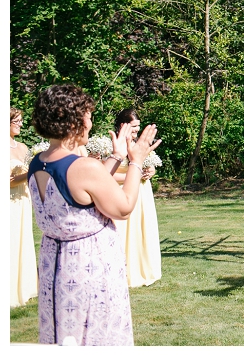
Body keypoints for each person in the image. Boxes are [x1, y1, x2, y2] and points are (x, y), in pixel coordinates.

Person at [27, 84, 161, 345]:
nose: (90, 122)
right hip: (89, 266)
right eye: (88, 115)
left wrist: (116, 156)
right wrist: (135, 160)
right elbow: (123, 207)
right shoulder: (83, 166)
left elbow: (84, 188)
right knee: (94, 335)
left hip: (55, 268)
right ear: (74, 120)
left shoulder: (38, 162)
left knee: (63, 336)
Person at [110, 109, 162, 288]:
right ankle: (124, 271)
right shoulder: (113, 145)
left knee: (142, 228)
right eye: (133, 127)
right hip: (122, 191)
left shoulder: (140, 143)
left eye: (138, 127)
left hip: (142, 192)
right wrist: (132, 176)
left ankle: (143, 268)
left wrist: (151, 171)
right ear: (122, 125)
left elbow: (150, 163)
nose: (136, 131)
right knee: (123, 231)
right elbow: (105, 173)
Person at [10, 107, 38, 308]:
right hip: (9, 200)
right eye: (16, 120)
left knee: (23, 239)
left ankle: (25, 287)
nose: (20, 124)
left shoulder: (22, 147)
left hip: (24, 200)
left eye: (21, 120)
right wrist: (28, 174)